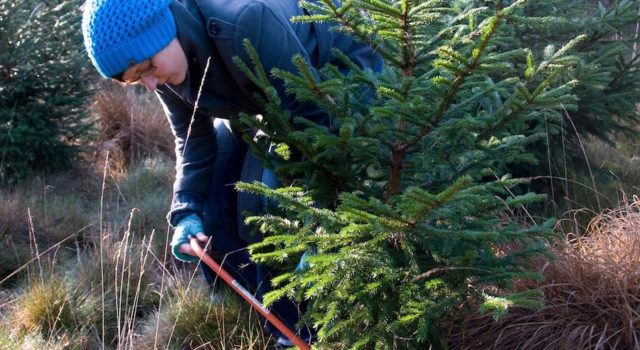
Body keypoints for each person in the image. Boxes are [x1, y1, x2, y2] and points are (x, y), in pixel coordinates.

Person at [82, 0, 382, 346]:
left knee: (269, 203)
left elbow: (314, 121)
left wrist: (320, 227)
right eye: (136, 80)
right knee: (213, 198)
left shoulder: (245, 22)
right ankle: (253, 310)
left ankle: (303, 330)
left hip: (333, 73)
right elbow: (192, 135)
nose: (150, 84)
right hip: (262, 92)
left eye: (148, 67)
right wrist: (187, 208)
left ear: (167, 27)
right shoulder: (162, 64)